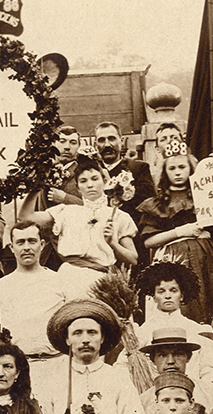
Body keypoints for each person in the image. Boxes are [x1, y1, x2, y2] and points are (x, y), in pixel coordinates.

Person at [0, 221, 69, 403]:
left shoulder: (61, 281)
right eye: (20, 242)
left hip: (57, 366)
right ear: (12, 248)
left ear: (42, 245)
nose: (26, 247)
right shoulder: (0, 286)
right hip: (17, 370)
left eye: (32, 241)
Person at [18, 152, 138, 300]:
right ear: (78, 187)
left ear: (105, 181)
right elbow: (25, 217)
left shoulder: (119, 216)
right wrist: (36, 187)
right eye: (83, 181)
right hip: (69, 277)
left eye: (95, 179)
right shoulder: (65, 211)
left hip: (102, 281)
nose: (90, 185)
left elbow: (133, 259)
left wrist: (113, 243)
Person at [137, 141, 213, 323]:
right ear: (165, 171)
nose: (177, 172)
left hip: (207, 258)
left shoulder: (204, 196)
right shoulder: (157, 203)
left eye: (182, 167)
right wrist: (181, 231)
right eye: (172, 168)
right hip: (174, 258)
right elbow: (149, 242)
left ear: (190, 168)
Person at [41, 300, 146, 414]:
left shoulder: (118, 377)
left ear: (102, 338)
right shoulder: (53, 380)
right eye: (77, 333)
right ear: (67, 339)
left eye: (92, 332)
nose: (85, 339)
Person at [133, 261, 213, 388]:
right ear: (154, 297)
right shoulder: (141, 332)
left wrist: (202, 391)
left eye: (173, 290)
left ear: (181, 295)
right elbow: (123, 366)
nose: (167, 296)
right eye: (161, 291)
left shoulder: (200, 331)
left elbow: (208, 370)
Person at [138, 328, 213, 414]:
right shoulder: (143, 400)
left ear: (188, 357)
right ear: (153, 360)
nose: (170, 361)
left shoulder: (209, 391)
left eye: (177, 354)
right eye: (162, 355)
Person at [93, 121, 155, 219]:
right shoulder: (91, 172)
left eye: (112, 138)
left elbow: (148, 202)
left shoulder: (139, 168)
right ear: (95, 144)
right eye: (101, 140)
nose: (107, 144)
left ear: (121, 141)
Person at [44, 126, 83, 207]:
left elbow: (95, 206)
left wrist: (65, 199)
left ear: (78, 146)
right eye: (62, 141)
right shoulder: (43, 170)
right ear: (53, 144)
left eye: (73, 142)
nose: (67, 147)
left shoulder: (84, 171)